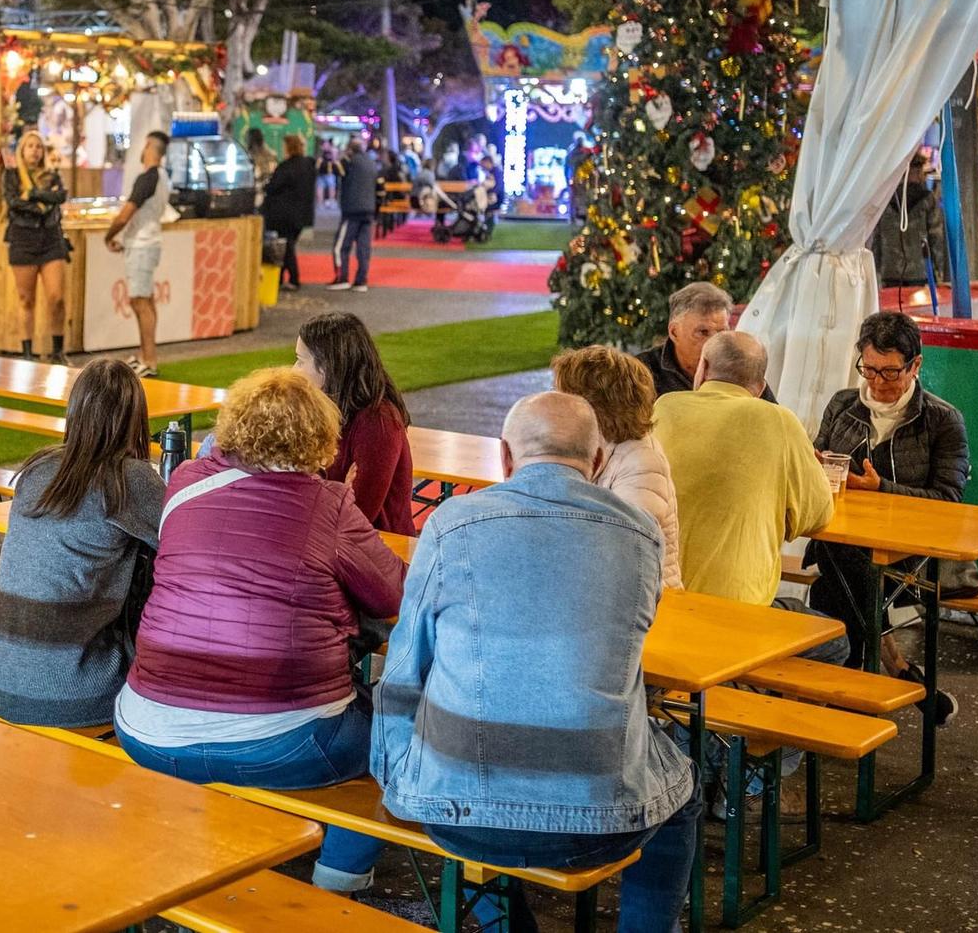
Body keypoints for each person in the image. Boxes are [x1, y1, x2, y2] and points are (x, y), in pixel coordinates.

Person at [374, 392, 699, 933]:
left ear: (504, 456)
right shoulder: (638, 534)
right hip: (600, 819)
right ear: (598, 461)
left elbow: (406, 665)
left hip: (459, 815)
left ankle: (506, 922)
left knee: (462, 750)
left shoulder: (451, 524)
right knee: (681, 788)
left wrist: (394, 772)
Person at [116, 367, 406, 894]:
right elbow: (393, 596)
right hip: (281, 741)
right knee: (400, 732)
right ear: (320, 436)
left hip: (145, 726)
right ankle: (338, 881)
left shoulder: (182, 483)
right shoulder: (330, 504)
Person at [0, 358, 164, 728]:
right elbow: (184, 539)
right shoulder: (129, 479)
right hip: (72, 694)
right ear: (135, 416)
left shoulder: (37, 469)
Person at [808, 312, 971, 716]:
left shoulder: (942, 420)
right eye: (869, 370)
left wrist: (882, 489)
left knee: (839, 577)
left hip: (910, 551)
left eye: (890, 372)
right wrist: (812, 467)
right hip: (845, 541)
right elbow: (820, 468)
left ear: (916, 365)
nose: (877, 383)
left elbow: (948, 500)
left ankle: (845, 689)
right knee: (845, 567)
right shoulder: (843, 405)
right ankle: (893, 675)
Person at [652, 332, 837, 617]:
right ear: (761, 386)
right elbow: (818, 515)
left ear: (702, 368)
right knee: (836, 642)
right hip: (738, 609)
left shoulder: (664, 407)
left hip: (658, 599)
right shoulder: (780, 421)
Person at [551, 346, 682, 588]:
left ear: (593, 404)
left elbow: (623, 544)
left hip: (645, 603)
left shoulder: (642, 461)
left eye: (562, 395)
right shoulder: (592, 443)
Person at [295, 312, 414, 535]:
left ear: (328, 366)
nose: (294, 371)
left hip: (379, 548)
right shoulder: (327, 408)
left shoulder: (377, 422)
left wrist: (321, 491)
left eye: (301, 361)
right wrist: (336, 492)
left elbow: (359, 514)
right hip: (336, 542)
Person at [635, 281, 776, 404]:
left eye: (721, 333)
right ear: (674, 332)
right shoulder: (641, 372)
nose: (714, 342)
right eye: (703, 332)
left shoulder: (740, 367)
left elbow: (773, 419)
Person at [104, 131, 171, 378]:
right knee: (145, 300)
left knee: (140, 301)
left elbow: (125, 214)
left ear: (151, 148)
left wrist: (109, 235)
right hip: (149, 241)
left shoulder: (148, 178)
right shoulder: (163, 177)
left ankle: (149, 360)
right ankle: (145, 355)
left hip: (142, 244)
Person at [2, 130, 70, 364]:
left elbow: (60, 197)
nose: (34, 150)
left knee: (57, 297)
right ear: (22, 150)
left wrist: (31, 195)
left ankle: (58, 351)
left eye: (38, 146)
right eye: (30, 146)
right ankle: (28, 353)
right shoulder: (11, 176)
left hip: (51, 240)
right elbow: (13, 203)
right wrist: (42, 202)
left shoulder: (52, 175)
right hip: (23, 240)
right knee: (26, 299)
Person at [871, 152, 950, 290]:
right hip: (920, 271)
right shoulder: (927, 199)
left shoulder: (885, 198)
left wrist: (876, 269)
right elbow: (936, 237)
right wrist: (939, 270)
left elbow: (876, 238)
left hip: (889, 270)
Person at [262, 133, 316, 291]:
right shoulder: (308, 165)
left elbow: (272, 187)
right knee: (288, 246)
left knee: (286, 247)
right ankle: (282, 278)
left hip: (284, 214)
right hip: (302, 214)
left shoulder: (286, 167)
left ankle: (293, 278)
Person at [328, 138, 378, 293]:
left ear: (350, 149)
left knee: (341, 246)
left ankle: (342, 278)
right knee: (364, 248)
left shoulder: (349, 160)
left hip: (352, 210)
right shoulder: (371, 162)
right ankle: (361, 280)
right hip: (368, 209)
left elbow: (335, 169)